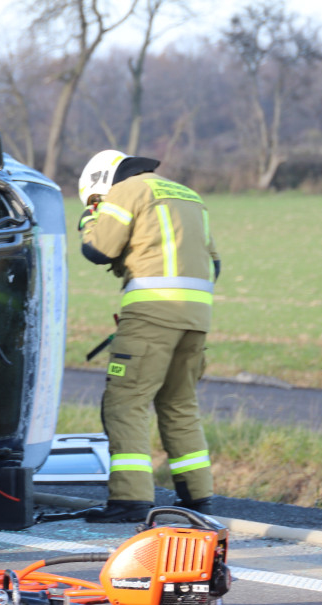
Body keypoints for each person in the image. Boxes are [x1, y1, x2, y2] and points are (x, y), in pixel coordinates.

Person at [76, 149, 220, 523]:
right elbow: (214, 263)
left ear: (101, 183)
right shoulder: (187, 195)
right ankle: (198, 498)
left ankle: (131, 500)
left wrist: (89, 221)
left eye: (96, 200)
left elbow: (98, 249)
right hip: (196, 318)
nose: (99, 206)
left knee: (126, 403)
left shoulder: (127, 191)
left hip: (152, 314)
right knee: (179, 403)